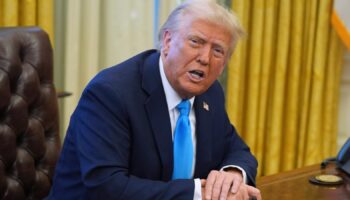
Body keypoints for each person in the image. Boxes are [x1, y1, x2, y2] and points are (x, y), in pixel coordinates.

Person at [48, 0, 261, 199]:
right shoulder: (111, 93)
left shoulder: (210, 93)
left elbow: (236, 148)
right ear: (167, 41)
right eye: (196, 42)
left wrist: (232, 175)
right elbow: (106, 186)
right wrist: (197, 193)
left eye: (218, 51)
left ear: (224, 64)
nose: (205, 58)